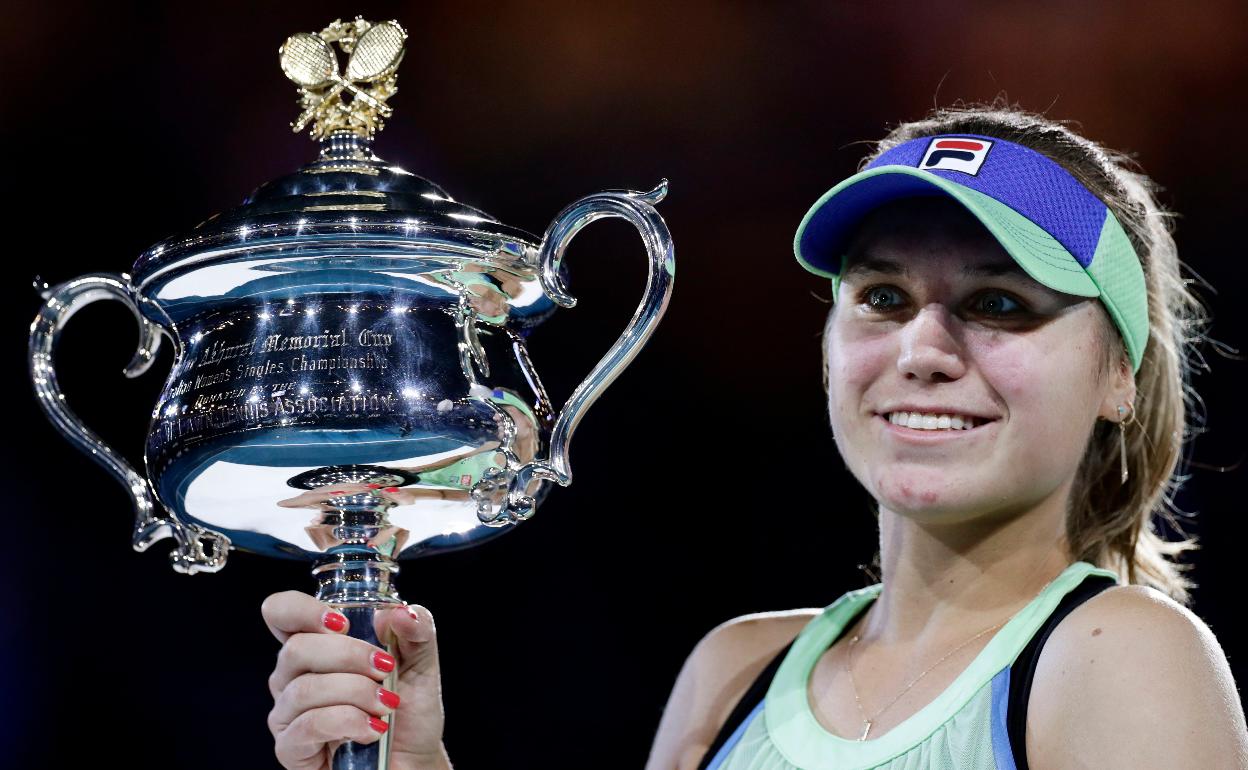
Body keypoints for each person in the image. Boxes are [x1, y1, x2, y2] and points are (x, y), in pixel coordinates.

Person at [259, 102, 1248, 769]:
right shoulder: (734, 671)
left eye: (998, 300)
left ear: (1121, 370)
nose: (923, 347)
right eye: (882, 295)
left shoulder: (1123, 656)